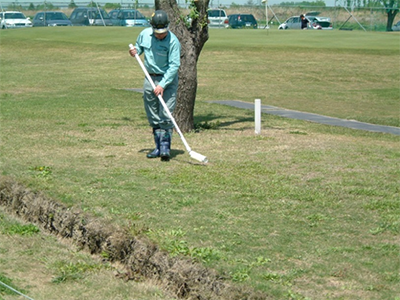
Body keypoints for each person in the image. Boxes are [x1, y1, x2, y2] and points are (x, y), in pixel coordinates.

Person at [129, 10, 181, 162]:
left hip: (167, 80)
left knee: (166, 114)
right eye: (157, 32)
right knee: (153, 114)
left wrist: (163, 85)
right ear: (152, 27)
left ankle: (165, 148)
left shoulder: (173, 41)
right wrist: (135, 52)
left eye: (162, 32)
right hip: (150, 78)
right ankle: (157, 147)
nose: (160, 35)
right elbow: (139, 48)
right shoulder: (144, 34)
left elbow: (174, 66)